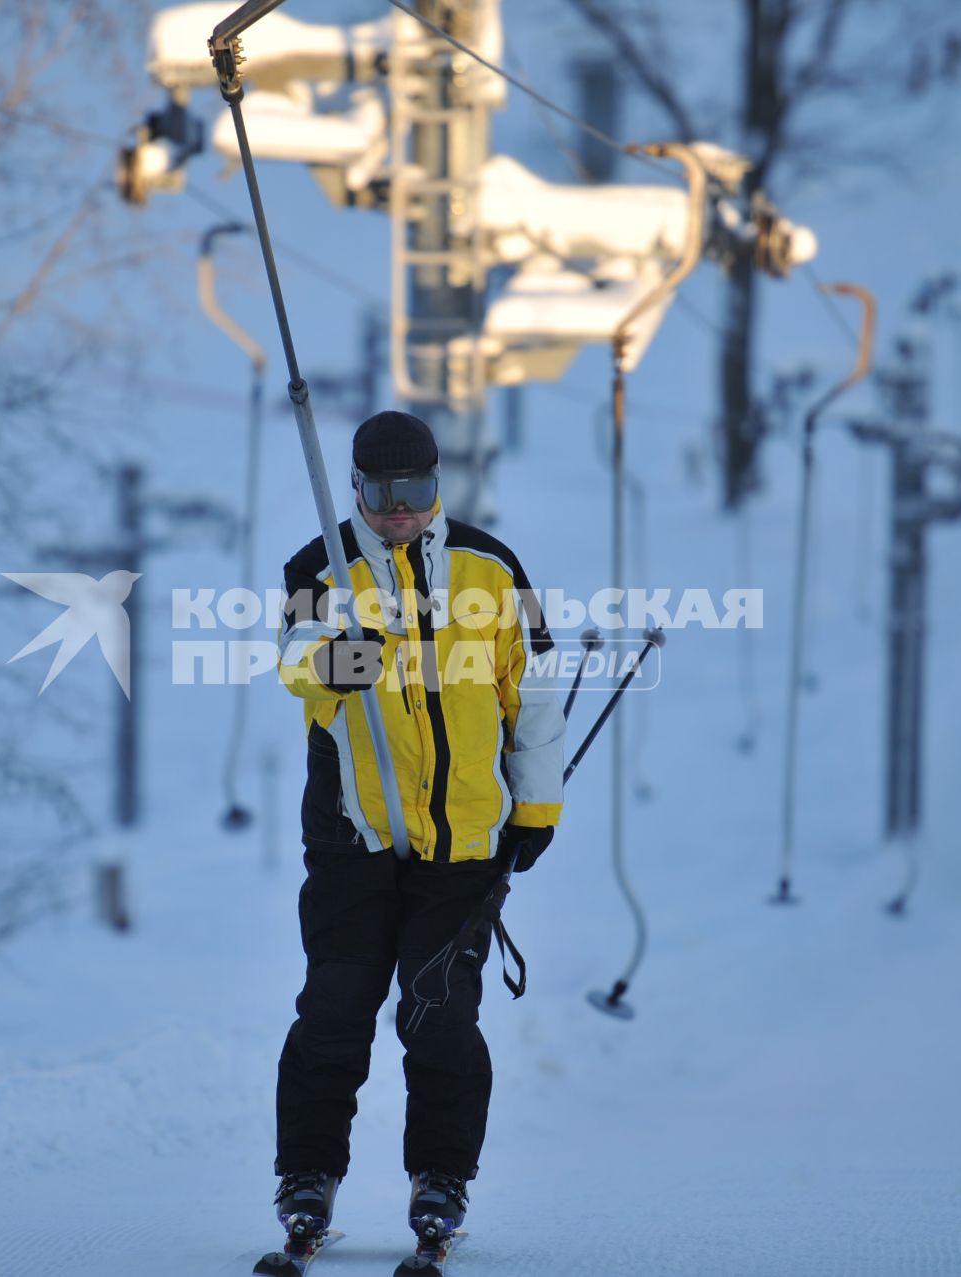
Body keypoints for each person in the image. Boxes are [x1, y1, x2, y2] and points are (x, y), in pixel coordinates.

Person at [268, 410, 565, 1252]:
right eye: (385, 492)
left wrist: (536, 807)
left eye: (419, 490)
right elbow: (295, 660)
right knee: (334, 1009)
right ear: (357, 487)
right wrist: (344, 652)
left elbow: (533, 693)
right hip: (352, 840)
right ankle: (307, 1176)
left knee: (437, 1015)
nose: (402, 509)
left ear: (438, 484)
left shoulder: (493, 566)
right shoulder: (316, 566)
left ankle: (441, 1177)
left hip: (462, 846)